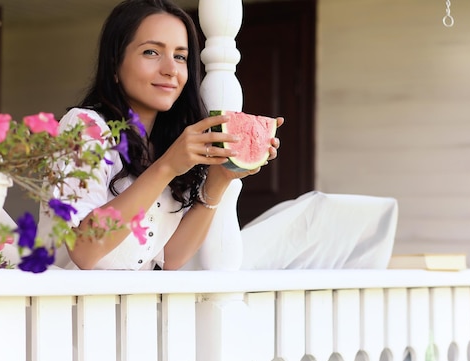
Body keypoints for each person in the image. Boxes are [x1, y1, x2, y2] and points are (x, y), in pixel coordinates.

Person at [38, 0, 398, 272]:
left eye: (180, 57)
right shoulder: (83, 127)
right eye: (151, 52)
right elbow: (85, 251)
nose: (170, 70)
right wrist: (166, 168)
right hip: (73, 318)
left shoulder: (166, 140)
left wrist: (219, 181)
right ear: (115, 65)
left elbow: (171, 256)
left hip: (136, 319)